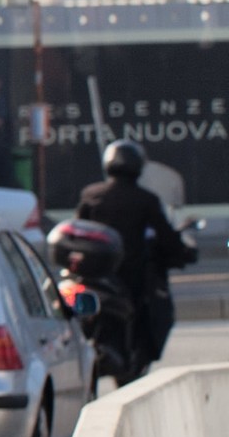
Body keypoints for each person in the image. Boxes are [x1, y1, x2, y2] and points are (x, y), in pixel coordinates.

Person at [77, 140, 187, 378]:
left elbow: (79, 232)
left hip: (96, 277)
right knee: (151, 313)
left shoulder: (91, 194)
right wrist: (181, 252)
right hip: (132, 276)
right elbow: (166, 236)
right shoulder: (145, 199)